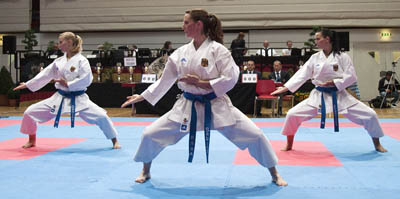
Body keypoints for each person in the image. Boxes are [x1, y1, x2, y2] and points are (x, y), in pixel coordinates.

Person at [121, 9, 287, 186]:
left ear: (198, 24)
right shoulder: (181, 52)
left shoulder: (218, 50)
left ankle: (274, 172)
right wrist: (142, 96)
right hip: (187, 106)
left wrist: (202, 83)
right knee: (150, 134)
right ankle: (146, 170)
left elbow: (231, 76)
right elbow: (165, 80)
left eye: (186, 22)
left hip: (215, 104)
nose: (182, 26)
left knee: (256, 135)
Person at [271, 28, 387, 153]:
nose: (315, 41)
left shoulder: (343, 57)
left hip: (339, 95)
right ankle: (289, 144)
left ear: (327, 39)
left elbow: (351, 76)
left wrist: (335, 82)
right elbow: (302, 74)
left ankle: (377, 144)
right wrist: (286, 88)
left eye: (318, 38)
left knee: (370, 115)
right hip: (319, 96)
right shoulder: (315, 57)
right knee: (292, 114)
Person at [13, 32, 121, 149]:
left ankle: (114, 140)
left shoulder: (82, 60)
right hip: (59, 97)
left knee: (102, 116)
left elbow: (87, 79)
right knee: (30, 112)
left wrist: (68, 84)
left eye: (60, 42)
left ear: (69, 42)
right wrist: (28, 84)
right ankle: (32, 140)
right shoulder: (59, 61)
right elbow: (45, 74)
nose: (58, 45)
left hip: (78, 98)